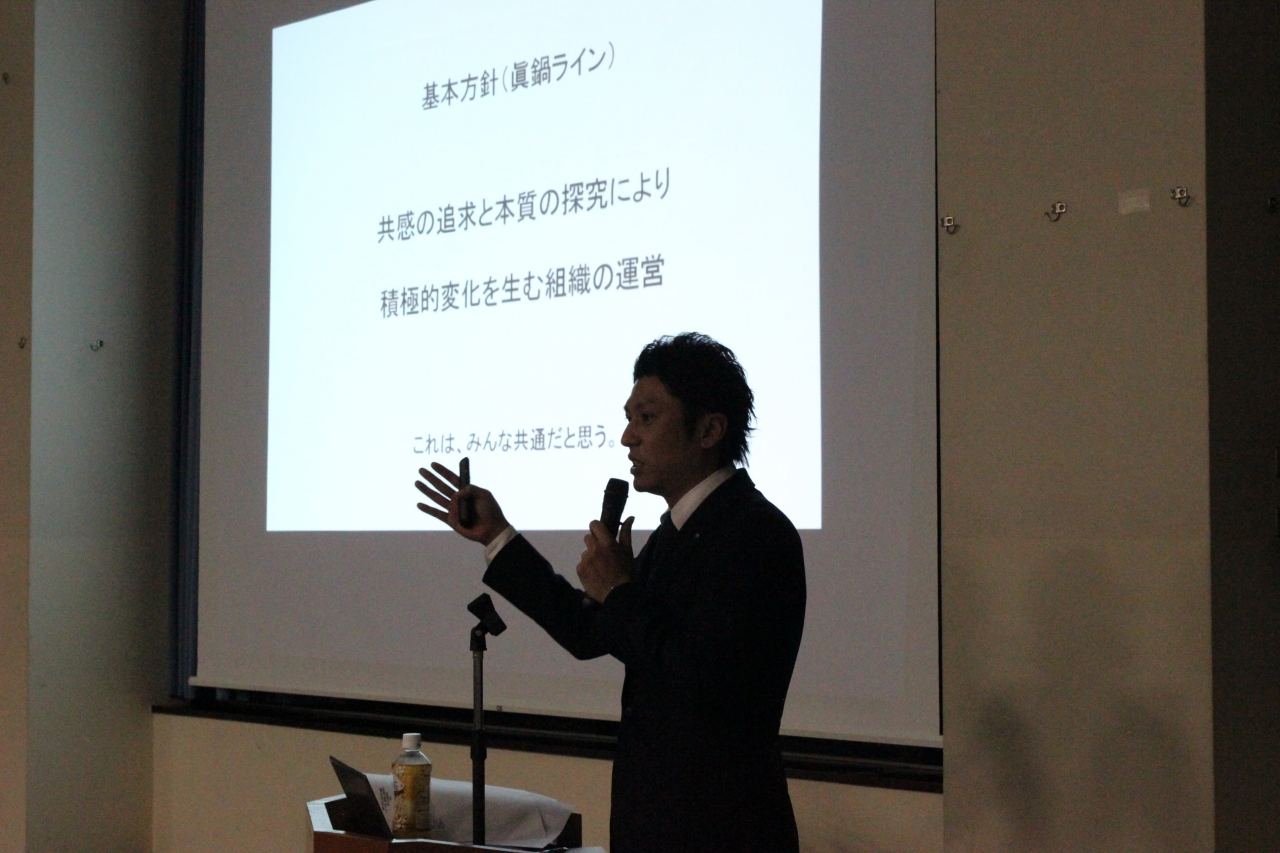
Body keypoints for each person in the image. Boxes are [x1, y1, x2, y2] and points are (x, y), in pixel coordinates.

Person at [415, 333, 806, 853]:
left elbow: (705, 683)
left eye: (646, 418)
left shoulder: (756, 534)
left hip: (721, 829)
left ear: (710, 429)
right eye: (628, 418)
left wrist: (620, 592)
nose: (627, 437)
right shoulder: (676, 532)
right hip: (655, 825)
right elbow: (590, 632)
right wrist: (497, 535)